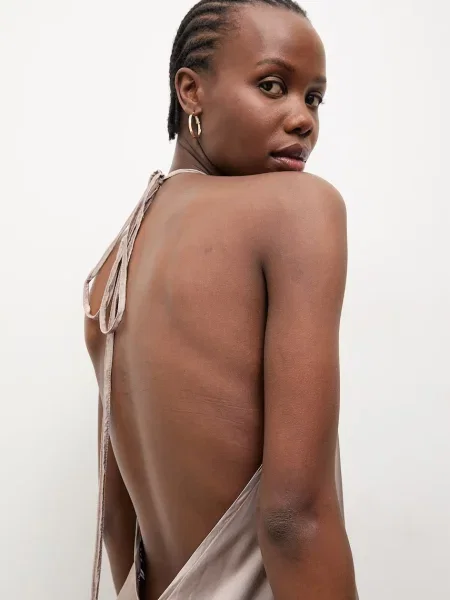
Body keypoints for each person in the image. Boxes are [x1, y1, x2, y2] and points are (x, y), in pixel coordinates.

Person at [84, 1, 358, 599]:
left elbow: (116, 522)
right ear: (191, 91)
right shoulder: (298, 211)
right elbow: (294, 519)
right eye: (272, 86)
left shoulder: (110, 272)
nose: (303, 119)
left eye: (313, 98)